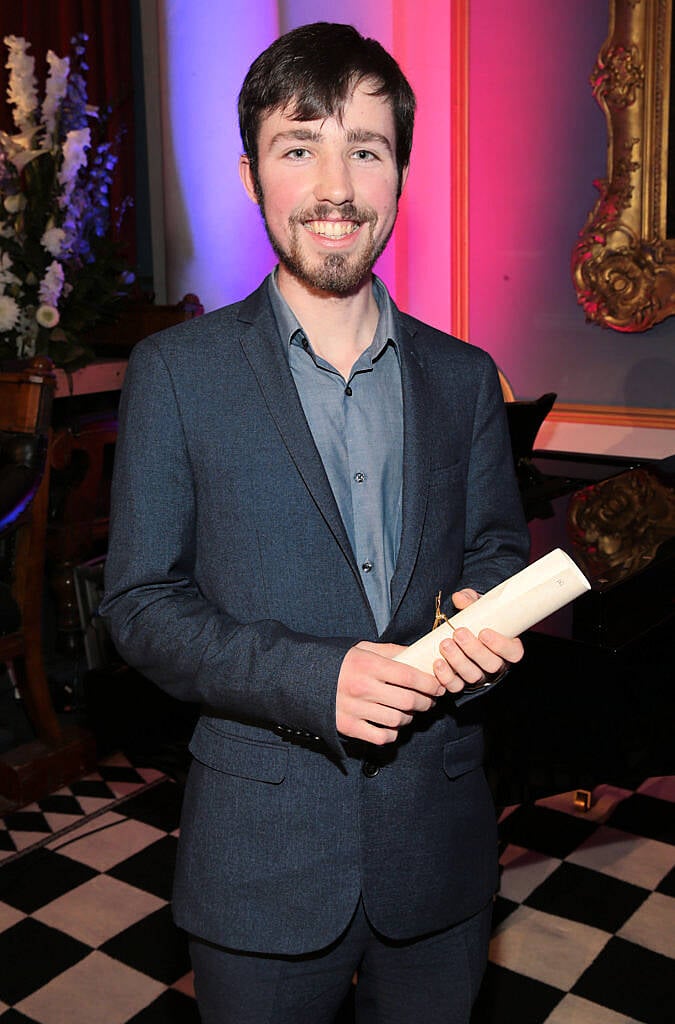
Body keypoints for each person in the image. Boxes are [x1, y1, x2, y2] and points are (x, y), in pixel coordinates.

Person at [101, 21, 530, 1024]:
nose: (336, 188)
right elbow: (140, 604)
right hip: (260, 858)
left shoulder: (465, 378)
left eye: (367, 149)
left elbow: (496, 553)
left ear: (400, 174)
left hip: (440, 847)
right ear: (252, 174)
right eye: (301, 147)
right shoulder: (175, 373)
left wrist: (488, 627)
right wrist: (313, 677)